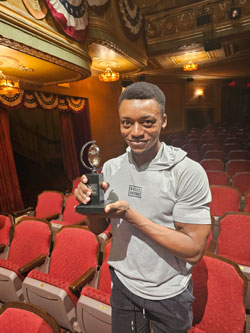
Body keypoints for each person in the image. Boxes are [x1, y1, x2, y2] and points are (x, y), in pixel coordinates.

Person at [74, 82, 211, 333]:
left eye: (147, 122)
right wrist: (87, 204)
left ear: (164, 121)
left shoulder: (187, 172)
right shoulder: (112, 167)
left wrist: (132, 216)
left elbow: (193, 250)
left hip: (168, 291)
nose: (135, 132)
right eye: (127, 122)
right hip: (123, 284)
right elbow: (98, 228)